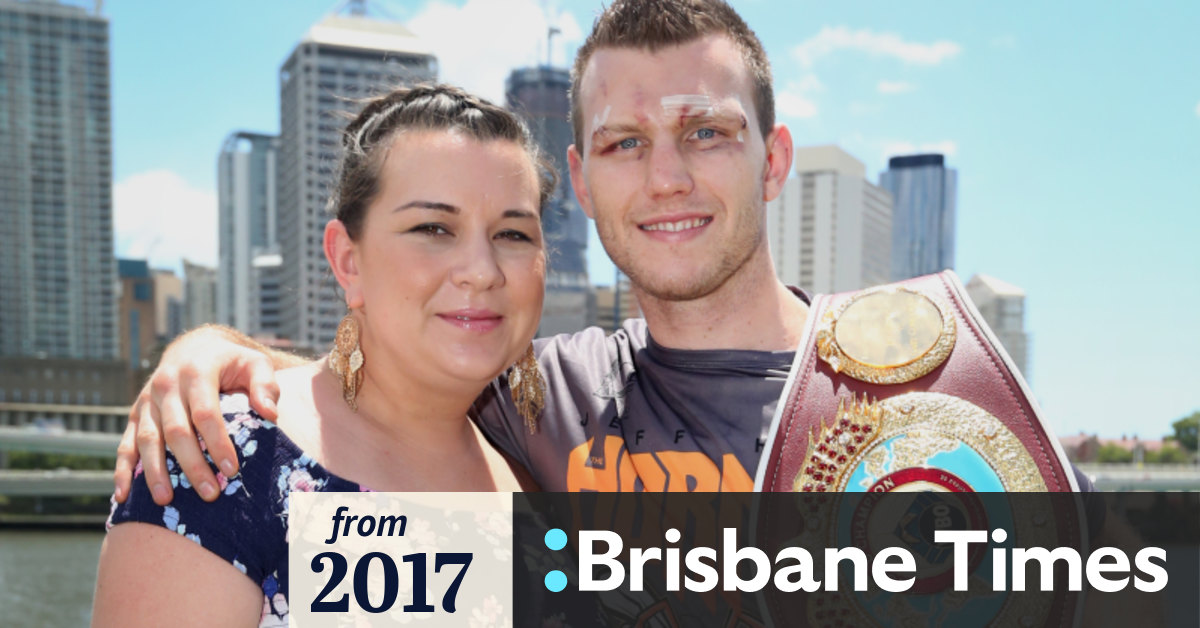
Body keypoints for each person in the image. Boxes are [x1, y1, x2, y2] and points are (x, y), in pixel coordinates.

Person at [113, 0, 1094, 497]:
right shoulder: (539, 397)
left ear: (772, 157)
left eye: (706, 131)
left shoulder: (937, 387)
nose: (665, 176)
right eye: (626, 143)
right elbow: (385, 378)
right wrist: (210, 350)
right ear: (582, 182)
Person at [93, 84, 553, 626]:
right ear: (347, 261)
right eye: (433, 228)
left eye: (513, 233)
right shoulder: (225, 458)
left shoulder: (537, 471)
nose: (482, 268)